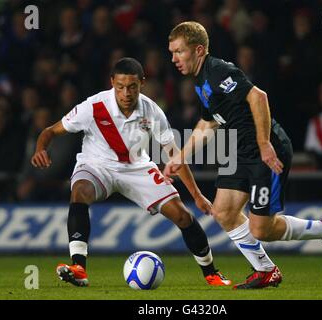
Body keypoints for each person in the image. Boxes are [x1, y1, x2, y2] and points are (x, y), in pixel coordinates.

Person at [165, 21, 322, 289]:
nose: (174, 59)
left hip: (266, 150)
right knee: (224, 212)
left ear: (199, 49)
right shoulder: (201, 81)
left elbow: (258, 97)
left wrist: (263, 143)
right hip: (238, 151)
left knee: (262, 229)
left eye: (179, 51)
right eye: (172, 53)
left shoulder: (217, 71)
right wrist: (181, 156)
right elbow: (209, 123)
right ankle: (265, 270)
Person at [31, 57, 231, 287]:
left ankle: (211, 274)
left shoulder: (152, 111)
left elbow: (174, 154)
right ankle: (79, 268)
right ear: (112, 83)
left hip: (138, 168)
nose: (126, 93)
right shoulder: (93, 107)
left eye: (132, 87)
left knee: (183, 216)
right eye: (120, 87)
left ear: (142, 83)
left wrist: (197, 195)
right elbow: (50, 131)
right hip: (97, 165)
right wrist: (40, 148)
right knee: (79, 192)